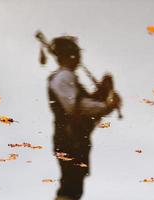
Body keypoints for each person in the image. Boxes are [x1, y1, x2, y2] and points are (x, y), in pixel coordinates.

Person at [39, 34, 121, 200]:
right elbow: (76, 107)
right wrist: (107, 106)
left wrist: (103, 93)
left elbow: (82, 105)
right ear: (71, 55)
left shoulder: (67, 77)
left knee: (74, 186)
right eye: (76, 54)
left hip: (72, 138)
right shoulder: (63, 77)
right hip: (69, 138)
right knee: (70, 186)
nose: (78, 58)